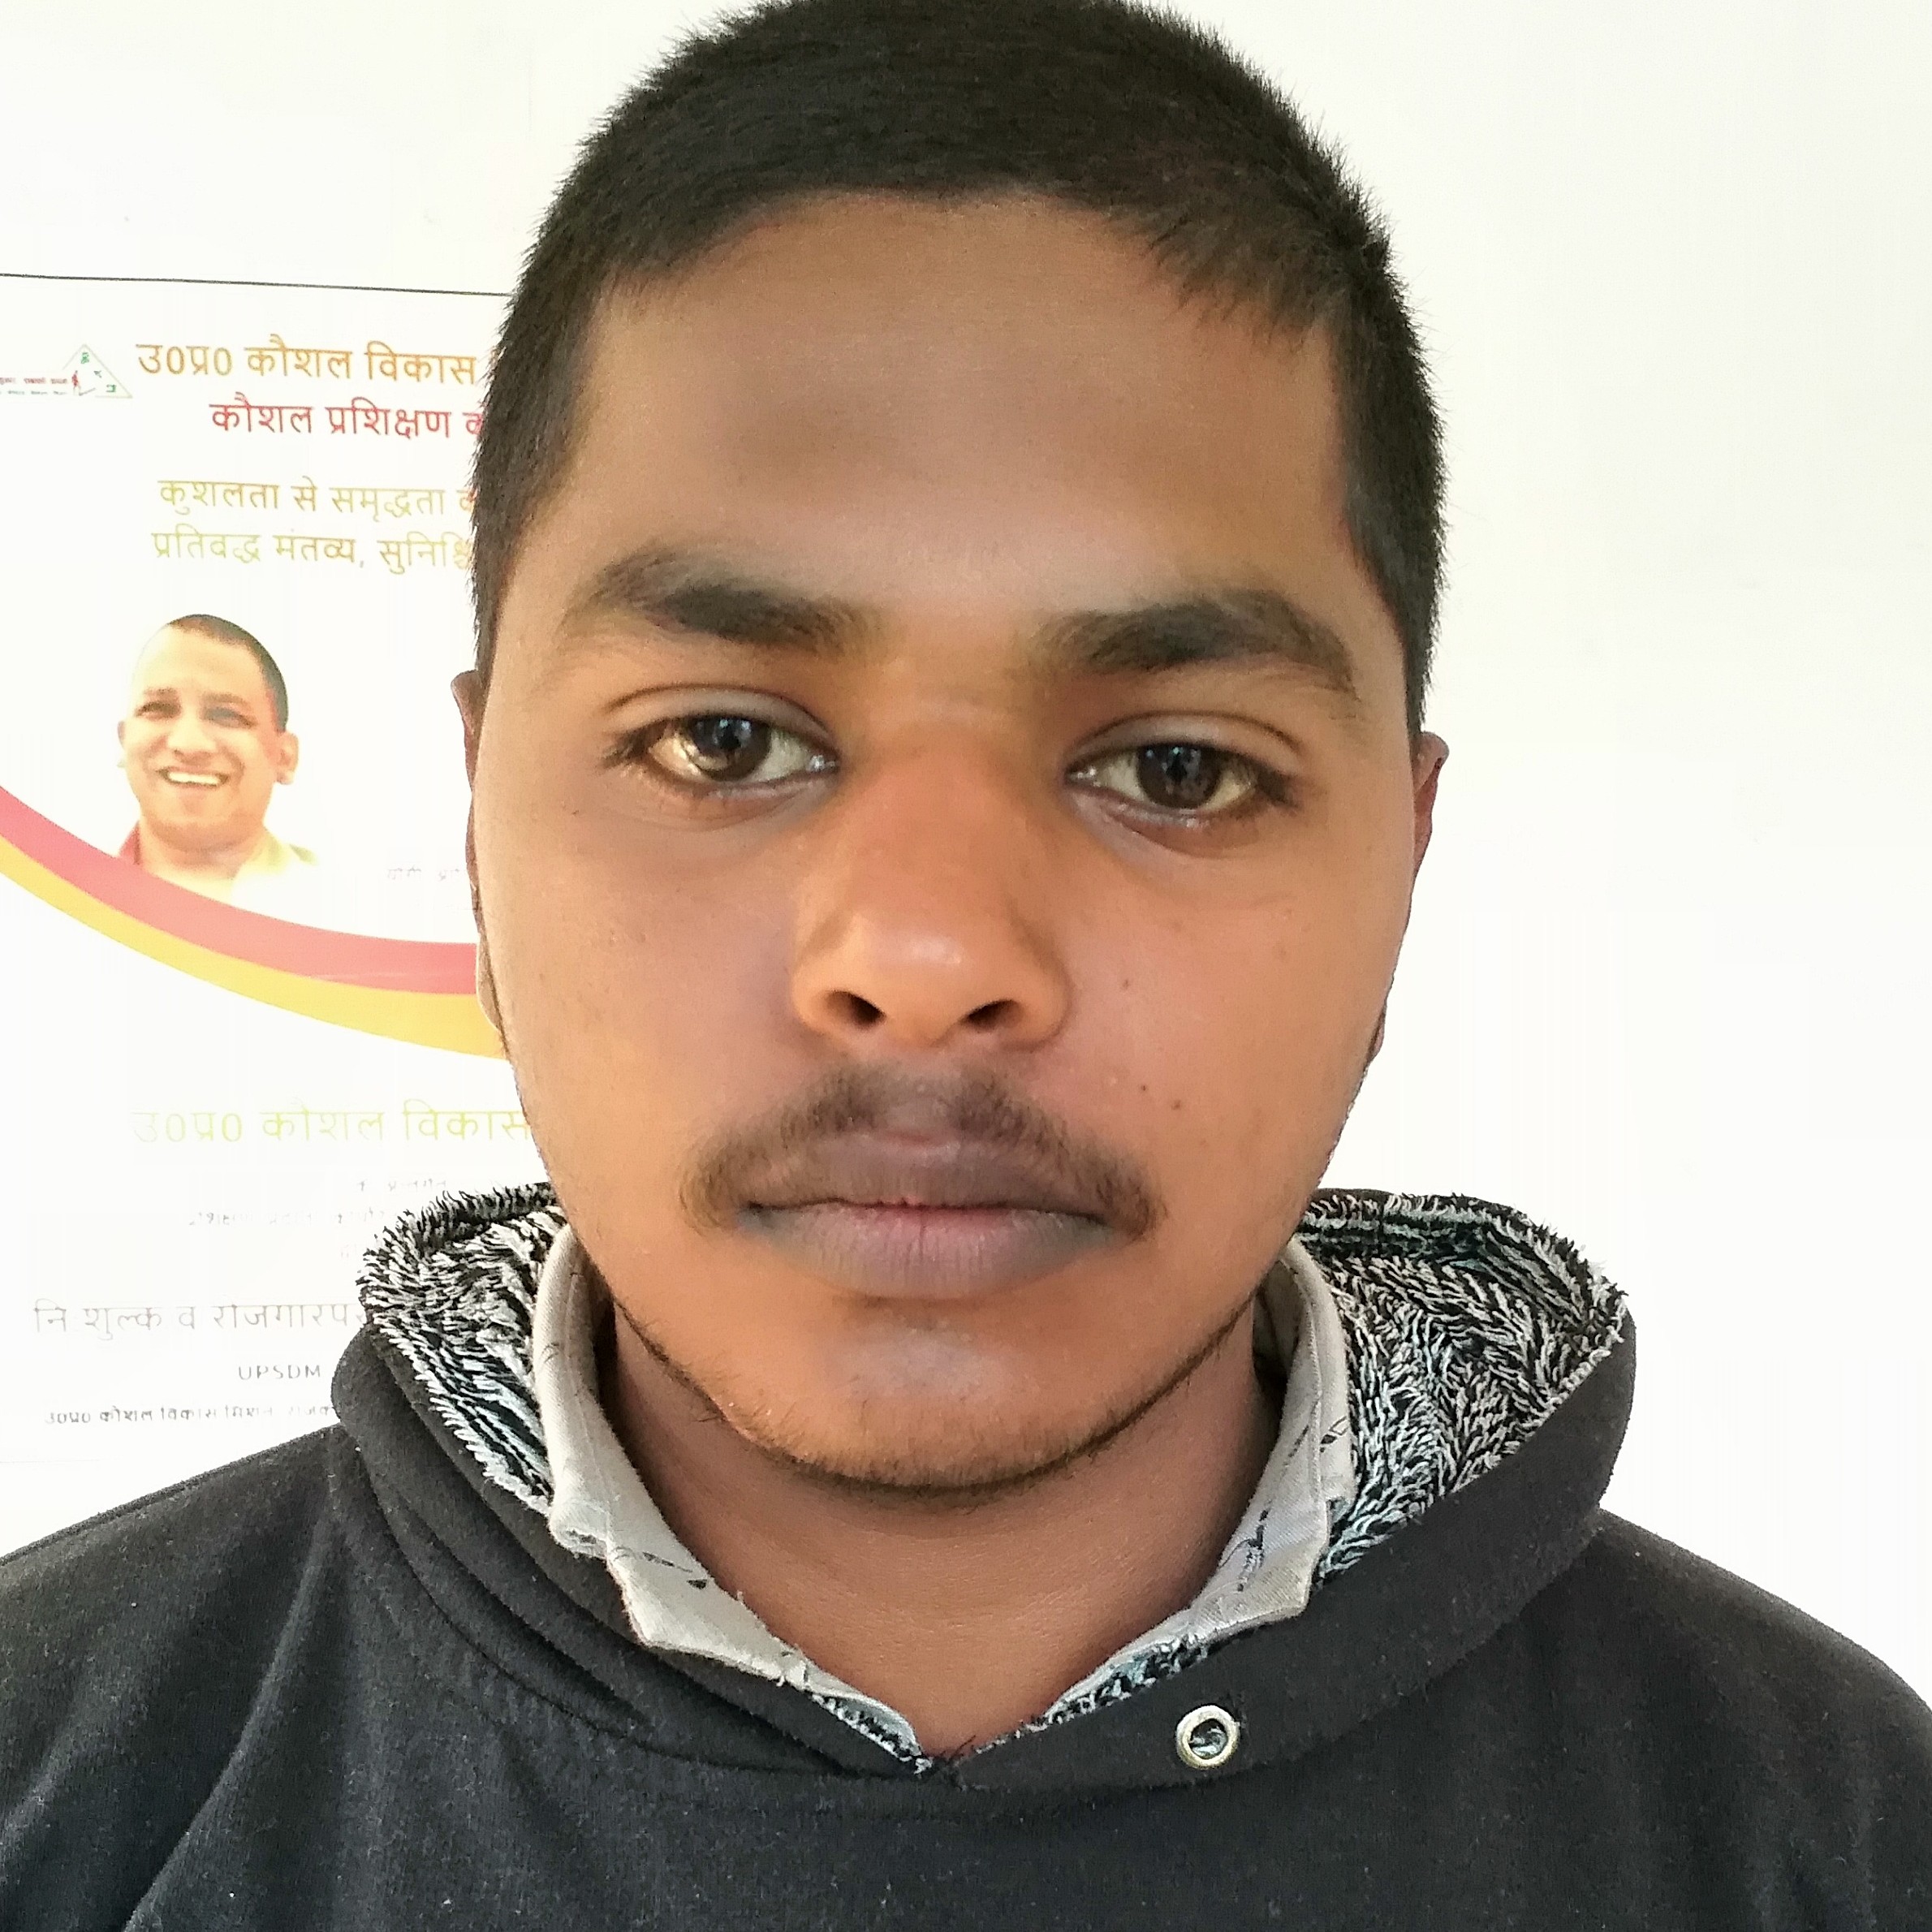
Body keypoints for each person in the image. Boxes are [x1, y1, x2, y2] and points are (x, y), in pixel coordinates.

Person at [4, 1, 1928, 1924]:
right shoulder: (56, 1779)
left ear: (1400, 866)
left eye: (1177, 769)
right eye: (722, 743)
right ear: (479, 815)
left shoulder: (1831, 1835)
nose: (926, 959)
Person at [114, 611, 327, 919]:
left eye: (227, 715)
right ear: (124, 740)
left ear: (285, 757)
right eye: (158, 708)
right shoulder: (61, 902)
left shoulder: (345, 907)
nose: (188, 744)